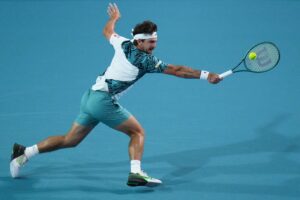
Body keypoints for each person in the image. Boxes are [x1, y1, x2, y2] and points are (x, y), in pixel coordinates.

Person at [10, 3, 222, 187]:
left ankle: (24, 153)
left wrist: (113, 18)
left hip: (90, 97)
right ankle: (136, 173)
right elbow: (177, 70)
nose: (154, 46)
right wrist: (206, 75)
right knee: (137, 133)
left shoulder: (122, 42)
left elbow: (106, 31)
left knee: (70, 140)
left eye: (155, 41)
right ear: (139, 41)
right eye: (150, 42)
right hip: (103, 102)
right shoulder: (146, 61)